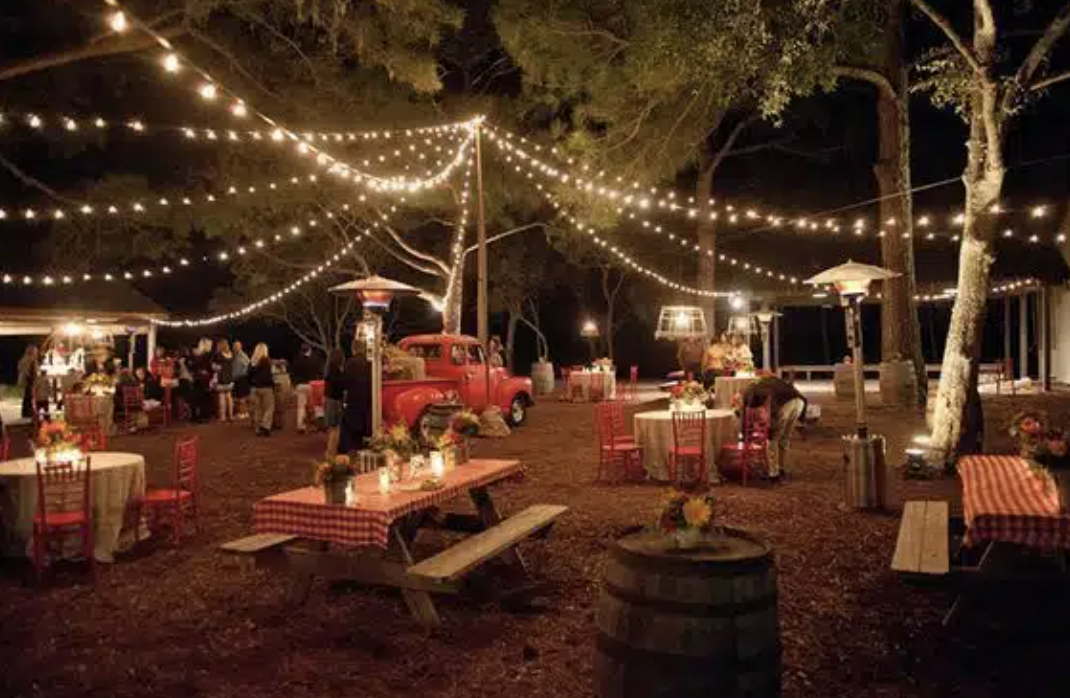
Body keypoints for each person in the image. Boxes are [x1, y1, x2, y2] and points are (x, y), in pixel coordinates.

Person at [741, 375, 807, 481]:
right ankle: (781, 468)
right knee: (784, 438)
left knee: (773, 439)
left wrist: (746, 433)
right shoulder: (769, 382)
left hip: (784, 406)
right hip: (799, 402)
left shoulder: (752, 392)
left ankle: (773, 473)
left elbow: (755, 411)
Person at [340, 342, 372, 454]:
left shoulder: (349, 363)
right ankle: (364, 447)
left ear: (354, 349)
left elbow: (344, 382)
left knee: (351, 425)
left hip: (353, 398)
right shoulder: (370, 363)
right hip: (368, 397)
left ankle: (350, 449)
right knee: (365, 423)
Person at [291, 343, 320, 434]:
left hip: (300, 385)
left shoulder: (297, 359)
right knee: (313, 407)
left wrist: (294, 383)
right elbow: (319, 371)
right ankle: (315, 425)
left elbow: (293, 372)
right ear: (309, 350)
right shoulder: (315, 359)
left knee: (301, 407)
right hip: (312, 385)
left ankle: (301, 426)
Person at [323, 348, 346, 457]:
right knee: (335, 429)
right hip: (335, 401)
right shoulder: (336, 371)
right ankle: (331, 453)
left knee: (331, 428)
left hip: (328, 400)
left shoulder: (328, 370)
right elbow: (341, 386)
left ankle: (329, 451)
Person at [249, 343, 276, 436]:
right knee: (269, 408)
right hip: (266, 387)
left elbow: (248, 375)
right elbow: (269, 375)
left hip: (255, 388)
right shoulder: (266, 361)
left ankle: (257, 429)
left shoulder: (252, 362)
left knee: (258, 409)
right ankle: (265, 426)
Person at [190, 338, 214, 423]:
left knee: (201, 398)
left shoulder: (204, 354)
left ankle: (200, 416)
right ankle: (199, 416)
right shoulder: (203, 354)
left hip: (201, 379)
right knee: (201, 398)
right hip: (201, 379)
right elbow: (195, 366)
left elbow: (208, 367)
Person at [212, 339, 235, 422]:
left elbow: (214, 367)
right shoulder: (231, 354)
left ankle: (223, 417)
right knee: (229, 397)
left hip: (221, 377)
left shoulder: (218, 354)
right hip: (230, 377)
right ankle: (231, 415)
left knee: (221, 397)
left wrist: (216, 368)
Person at [17, 345, 39, 419]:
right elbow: (23, 369)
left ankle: (27, 412)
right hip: (28, 381)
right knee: (28, 397)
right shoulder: (27, 359)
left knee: (28, 397)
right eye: (35, 351)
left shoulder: (30, 359)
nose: (36, 353)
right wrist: (29, 376)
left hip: (29, 380)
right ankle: (27, 412)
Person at [232, 340, 251, 420]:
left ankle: (243, 413)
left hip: (241, 378)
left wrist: (243, 374)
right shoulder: (235, 355)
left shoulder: (242, 355)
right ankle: (243, 412)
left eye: (236, 346)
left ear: (240, 347)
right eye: (234, 346)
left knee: (242, 398)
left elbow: (248, 364)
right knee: (239, 397)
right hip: (237, 379)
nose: (234, 348)